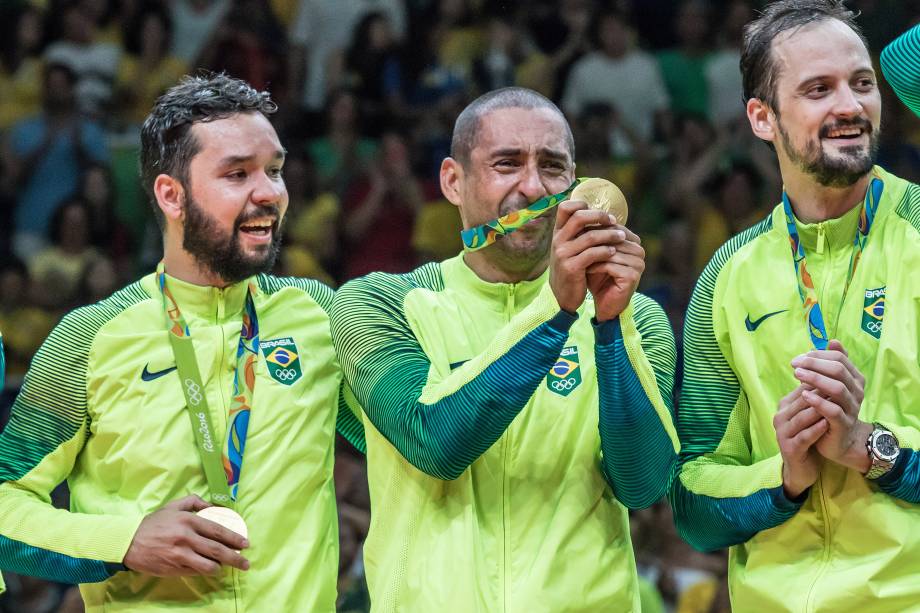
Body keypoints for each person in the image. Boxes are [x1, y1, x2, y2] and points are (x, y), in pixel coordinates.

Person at [0, 73, 363, 611]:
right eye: (237, 174)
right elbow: (6, 506)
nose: (269, 193)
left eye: (275, 170)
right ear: (171, 194)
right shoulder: (89, 338)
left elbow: (418, 441)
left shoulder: (322, 313)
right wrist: (122, 542)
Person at [330, 86, 678, 611]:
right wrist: (557, 311)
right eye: (507, 163)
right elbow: (434, 443)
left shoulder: (635, 316)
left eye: (552, 167)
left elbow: (643, 483)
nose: (533, 186)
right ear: (453, 181)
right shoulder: (379, 304)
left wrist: (608, 325)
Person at [670, 1, 920, 610]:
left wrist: (873, 449)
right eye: (818, 89)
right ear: (761, 117)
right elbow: (692, 504)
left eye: (862, 84)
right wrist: (783, 477)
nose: (850, 106)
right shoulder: (726, 278)